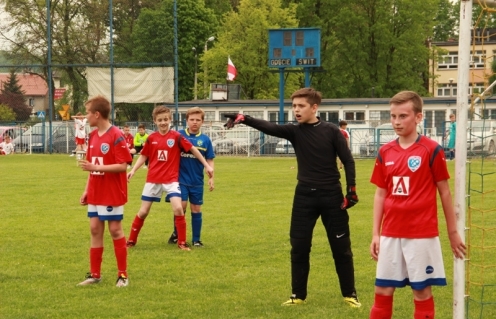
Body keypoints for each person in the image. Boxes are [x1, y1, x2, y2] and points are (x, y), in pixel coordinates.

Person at [223, 87, 361, 307]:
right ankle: (298, 296)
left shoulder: (332, 131)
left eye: (301, 106)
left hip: (331, 196)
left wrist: (351, 190)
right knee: (299, 247)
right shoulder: (295, 131)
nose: (296, 110)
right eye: (294, 106)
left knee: (341, 248)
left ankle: (350, 294)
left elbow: (349, 160)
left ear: (314, 108)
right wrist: (244, 118)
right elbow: (270, 126)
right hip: (304, 196)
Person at [369, 91, 466, 319]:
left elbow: (444, 192)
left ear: (418, 117)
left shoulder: (431, 150)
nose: (396, 122)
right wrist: (376, 234)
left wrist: (452, 233)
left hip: (421, 233)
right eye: (393, 116)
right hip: (391, 232)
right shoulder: (385, 151)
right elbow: (380, 194)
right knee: (382, 289)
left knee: (421, 290)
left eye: (403, 116)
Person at [126, 106, 214, 251]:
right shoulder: (151, 138)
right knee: (143, 211)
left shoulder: (177, 137)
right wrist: (133, 170)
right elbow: (144, 155)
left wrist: (207, 165)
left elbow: (193, 149)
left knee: (178, 208)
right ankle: (131, 241)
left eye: (166, 119)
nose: (163, 122)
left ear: (170, 120)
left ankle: (182, 242)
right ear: (155, 121)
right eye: (160, 120)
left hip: (172, 180)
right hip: (153, 179)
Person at [77, 96, 132, 287]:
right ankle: (95, 274)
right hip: (96, 190)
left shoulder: (116, 135)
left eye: (88, 112)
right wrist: (86, 190)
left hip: (111, 191)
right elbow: (92, 167)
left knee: (115, 230)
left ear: (97, 114)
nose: (86, 116)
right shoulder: (92, 136)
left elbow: (123, 165)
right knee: (94, 229)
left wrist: (94, 167)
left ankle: (123, 276)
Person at [168, 107, 215, 247]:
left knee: (196, 209)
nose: (195, 122)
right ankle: (177, 234)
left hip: (197, 181)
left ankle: (196, 239)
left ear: (202, 122)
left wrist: (212, 177)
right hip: (180, 179)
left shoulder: (205, 140)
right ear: (186, 120)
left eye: (198, 120)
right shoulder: (178, 135)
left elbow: (210, 159)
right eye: (192, 120)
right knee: (181, 206)